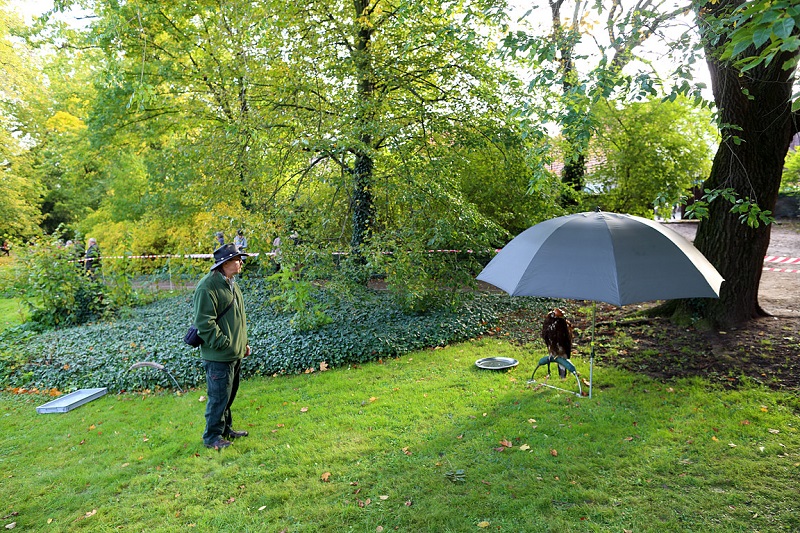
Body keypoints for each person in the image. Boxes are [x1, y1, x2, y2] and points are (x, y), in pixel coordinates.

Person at [193, 243, 252, 450]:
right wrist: (225, 344)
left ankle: (225, 429)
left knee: (228, 395)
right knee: (218, 398)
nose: (241, 262)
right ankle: (212, 437)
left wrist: (243, 343)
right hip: (219, 356)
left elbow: (239, 318)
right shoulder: (207, 287)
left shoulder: (231, 283)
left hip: (234, 353)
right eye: (237, 259)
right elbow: (204, 324)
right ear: (225, 263)